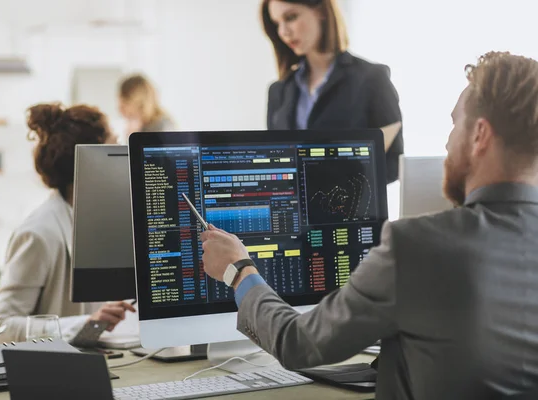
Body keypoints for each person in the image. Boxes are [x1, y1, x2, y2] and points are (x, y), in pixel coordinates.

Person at [201, 51, 538, 399]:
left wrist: (238, 270)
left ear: (480, 135)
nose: (447, 142)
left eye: (455, 125)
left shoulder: (417, 245)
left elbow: (297, 343)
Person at [0, 103, 136, 343]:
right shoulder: (39, 233)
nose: (123, 156)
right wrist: (85, 323)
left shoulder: (106, 222)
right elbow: (2, 327)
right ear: (90, 160)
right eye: (115, 144)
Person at [262, 0, 403, 184]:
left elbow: (394, 163)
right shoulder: (278, 91)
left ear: (320, 11)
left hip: (350, 208)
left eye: (291, 17)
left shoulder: (371, 78)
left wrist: (348, 180)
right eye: (276, 23)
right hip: (292, 210)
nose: (283, 32)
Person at [118, 74, 175, 138]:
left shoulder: (162, 126)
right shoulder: (140, 125)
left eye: (124, 103)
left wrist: (135, 136)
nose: (120, 109)